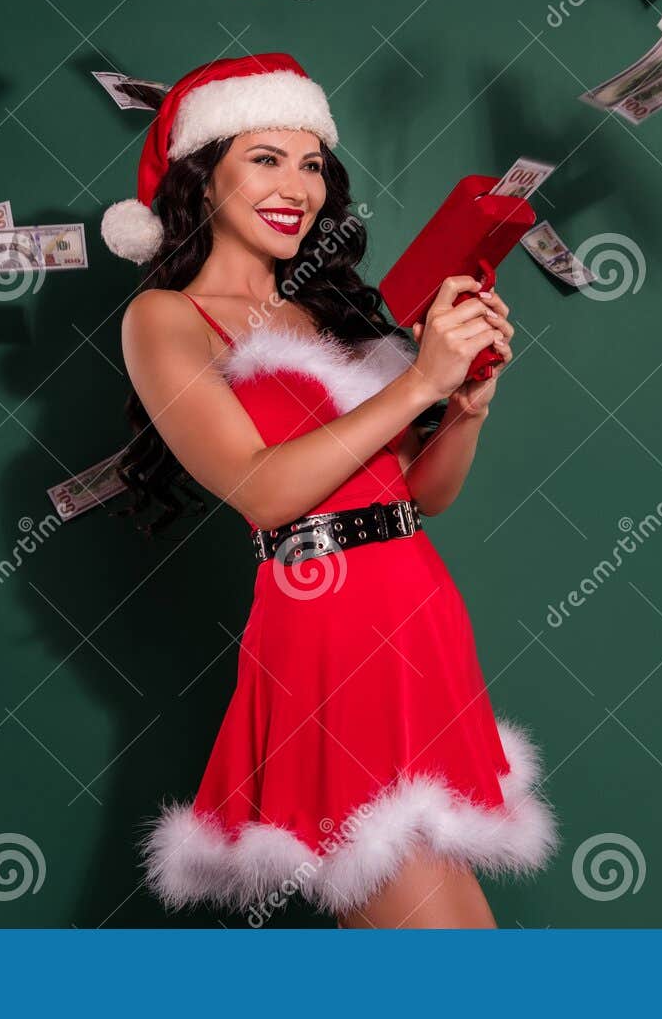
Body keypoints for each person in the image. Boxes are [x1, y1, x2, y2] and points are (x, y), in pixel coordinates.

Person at [108, 52, 558, 927]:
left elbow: (420, 496)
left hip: (419, 616)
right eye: (265, 158)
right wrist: (419, 384)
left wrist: (466, 404)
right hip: (328, 632)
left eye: (311, 162)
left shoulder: (336, 315)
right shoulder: (164, 318)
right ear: (203, 180)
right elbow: (262, 490)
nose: (298, 185)